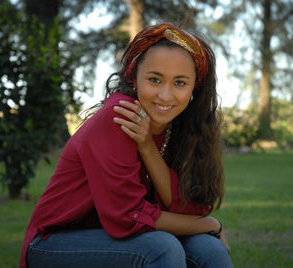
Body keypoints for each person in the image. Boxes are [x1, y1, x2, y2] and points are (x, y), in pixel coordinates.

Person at [20, 23, 233, 268]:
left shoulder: (182, 125)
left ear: (195, 87)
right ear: (134, 77)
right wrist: (210, 224)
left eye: (180, 83)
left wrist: (147, 148)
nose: (165, 95)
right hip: (54, 243)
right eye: (155, 79)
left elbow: (190, 206)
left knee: (210, 249)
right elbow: (127, 217)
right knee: (162, 248)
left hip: (119, 239)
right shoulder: (119, 115)